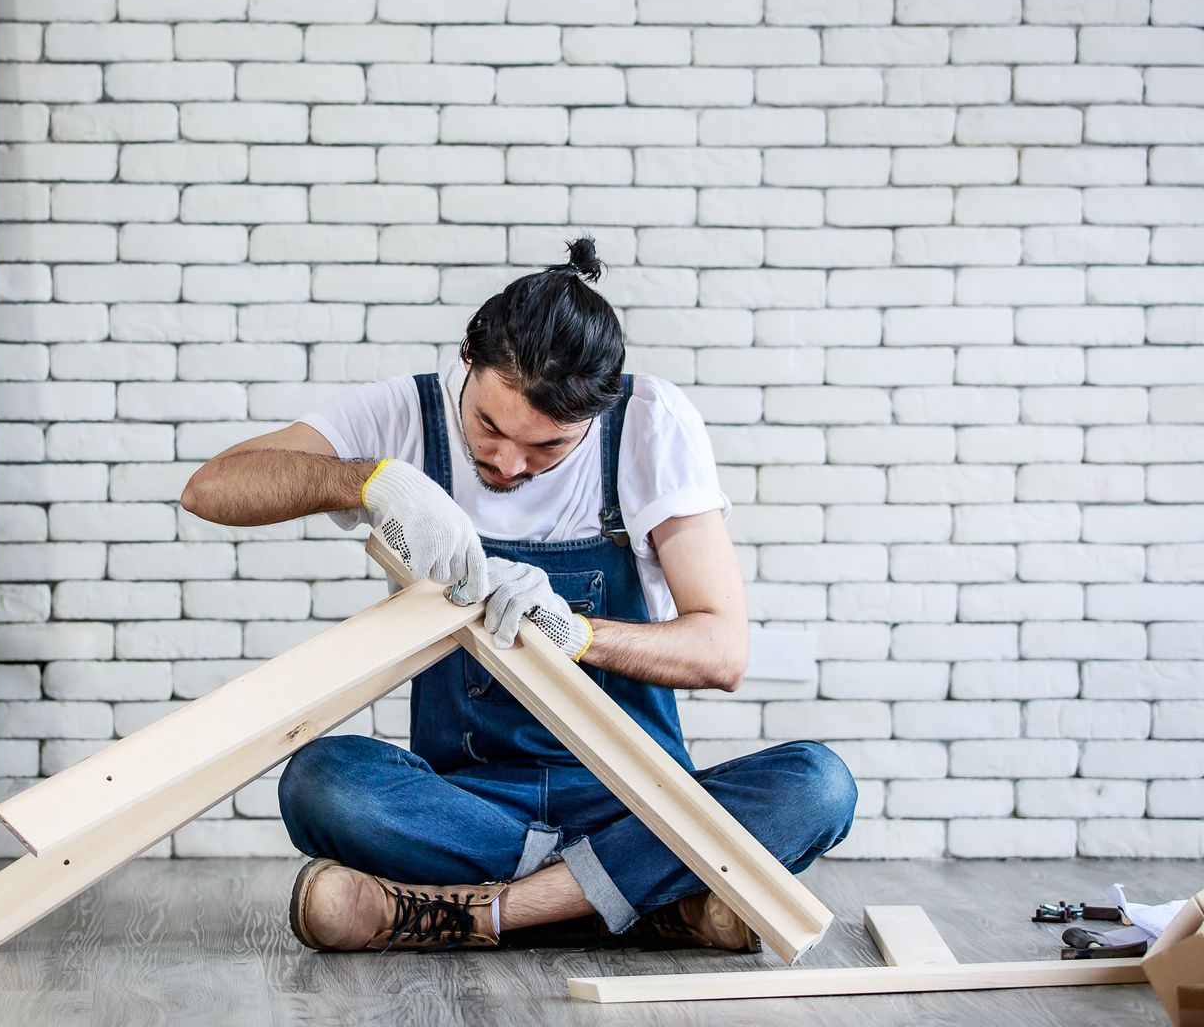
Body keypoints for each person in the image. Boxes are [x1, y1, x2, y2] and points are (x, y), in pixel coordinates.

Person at [178, 235, 857, 955]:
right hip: (472, 806)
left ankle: (477, 915)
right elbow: (210, 488)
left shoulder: (649, 425)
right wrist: (369, 480)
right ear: (468, 363)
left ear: (595, 416)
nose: (505, 463)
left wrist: (579, 635)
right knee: (322, 782)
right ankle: (652, 900)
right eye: (489, 426)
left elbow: (721, 651)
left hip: (637, 800)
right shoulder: (405, 413)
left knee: (820, 784)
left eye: (547, 448)